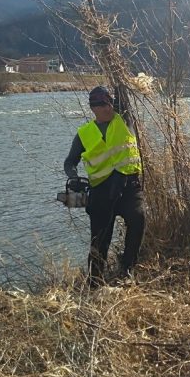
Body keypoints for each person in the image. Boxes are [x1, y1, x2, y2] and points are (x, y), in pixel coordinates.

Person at [64, 86, 145, 286]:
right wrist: (73, 177)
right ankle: (95, 282)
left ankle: (127, 269)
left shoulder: (124, 120)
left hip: (128, 186)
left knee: (138, 219)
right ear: (93, 108)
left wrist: (114, 68)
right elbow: (69, 162)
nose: (108, 109)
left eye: (110, 104)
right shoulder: (84, 133)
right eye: (102, 106)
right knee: (100, 239)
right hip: (101, 191)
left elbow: (123, 96)